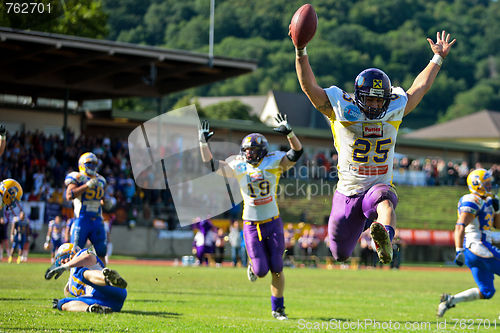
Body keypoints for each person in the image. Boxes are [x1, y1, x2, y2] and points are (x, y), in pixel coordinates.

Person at [291, 28, 456, 264]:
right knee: (340, 254)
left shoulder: (394, 108)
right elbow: (309, 87)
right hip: (347, 193)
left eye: (380, 99)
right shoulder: (342, 108)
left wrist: (437, 59)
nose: (375, 103)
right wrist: (300, 51)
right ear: (358, 96)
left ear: (387, 98)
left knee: (386, 201)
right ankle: (366, 235)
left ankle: (385, 239)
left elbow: (419, 88)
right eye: (370, 98)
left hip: (376, 189)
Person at [198, 112, 303, 320]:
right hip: (251, 223)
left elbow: (296, 153)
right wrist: (203, 143)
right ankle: (253, 267)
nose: (249, 154)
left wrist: (290, 133)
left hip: (273, 221)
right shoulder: (238, 165)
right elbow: (211, 166)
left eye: (253, 151)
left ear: (263, 151)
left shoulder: (274, 161)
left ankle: (278, 308)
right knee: (262, 270)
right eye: (246, 151)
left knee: (278, 268)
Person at [437, 169, 500, 317]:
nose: (490, 186)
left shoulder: (486, 201)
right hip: (478, 246)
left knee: (487, 291)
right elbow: (460, 226)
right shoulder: (472, 199)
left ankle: (450, 300)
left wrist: (497, 210)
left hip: (476, 250)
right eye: (487, 184)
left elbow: (497, 225)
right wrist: (458, 250)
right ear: (477, 184)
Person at [44, 243, 127, 314]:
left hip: (113, 289)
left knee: (80, 272)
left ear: (72, 252)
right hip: (107, 303)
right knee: (61, 303)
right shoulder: (71, 283)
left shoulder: (82, 254)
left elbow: (88, 257)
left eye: (63, 256)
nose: (62, 261)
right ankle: (91, 309)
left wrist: (66, 266)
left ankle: (108, 279)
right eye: (60, 260)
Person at [65, 152, 108, 263]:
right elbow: (69, 195)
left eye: (94, 164)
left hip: (97, 219)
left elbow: (102, 198)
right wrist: (86, 186)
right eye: (89, 163)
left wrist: (107, 202)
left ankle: (103, 277)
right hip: (82, 219)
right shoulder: (78, 177)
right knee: (75, 252)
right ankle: (73, 278)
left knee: (102, 251)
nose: (92, 166)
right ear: (82, 164)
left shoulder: (101, 180)